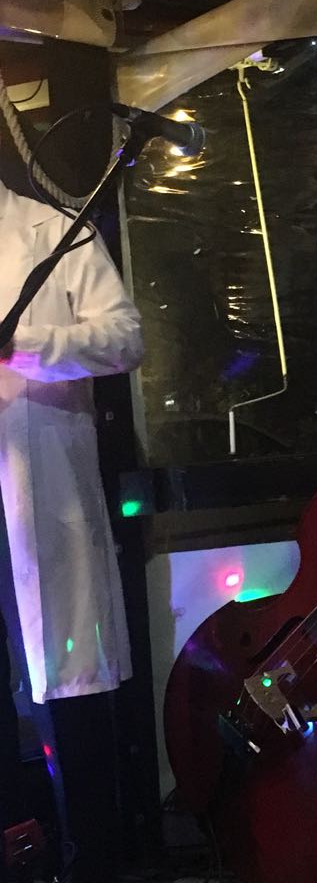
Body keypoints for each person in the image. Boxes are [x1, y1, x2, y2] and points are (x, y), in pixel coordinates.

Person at [0, 178, 143, 881]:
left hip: (38, 499)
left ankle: (92, 860)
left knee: (70, 700)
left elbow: (125, 338)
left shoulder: (56, 231)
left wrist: (21, 344)